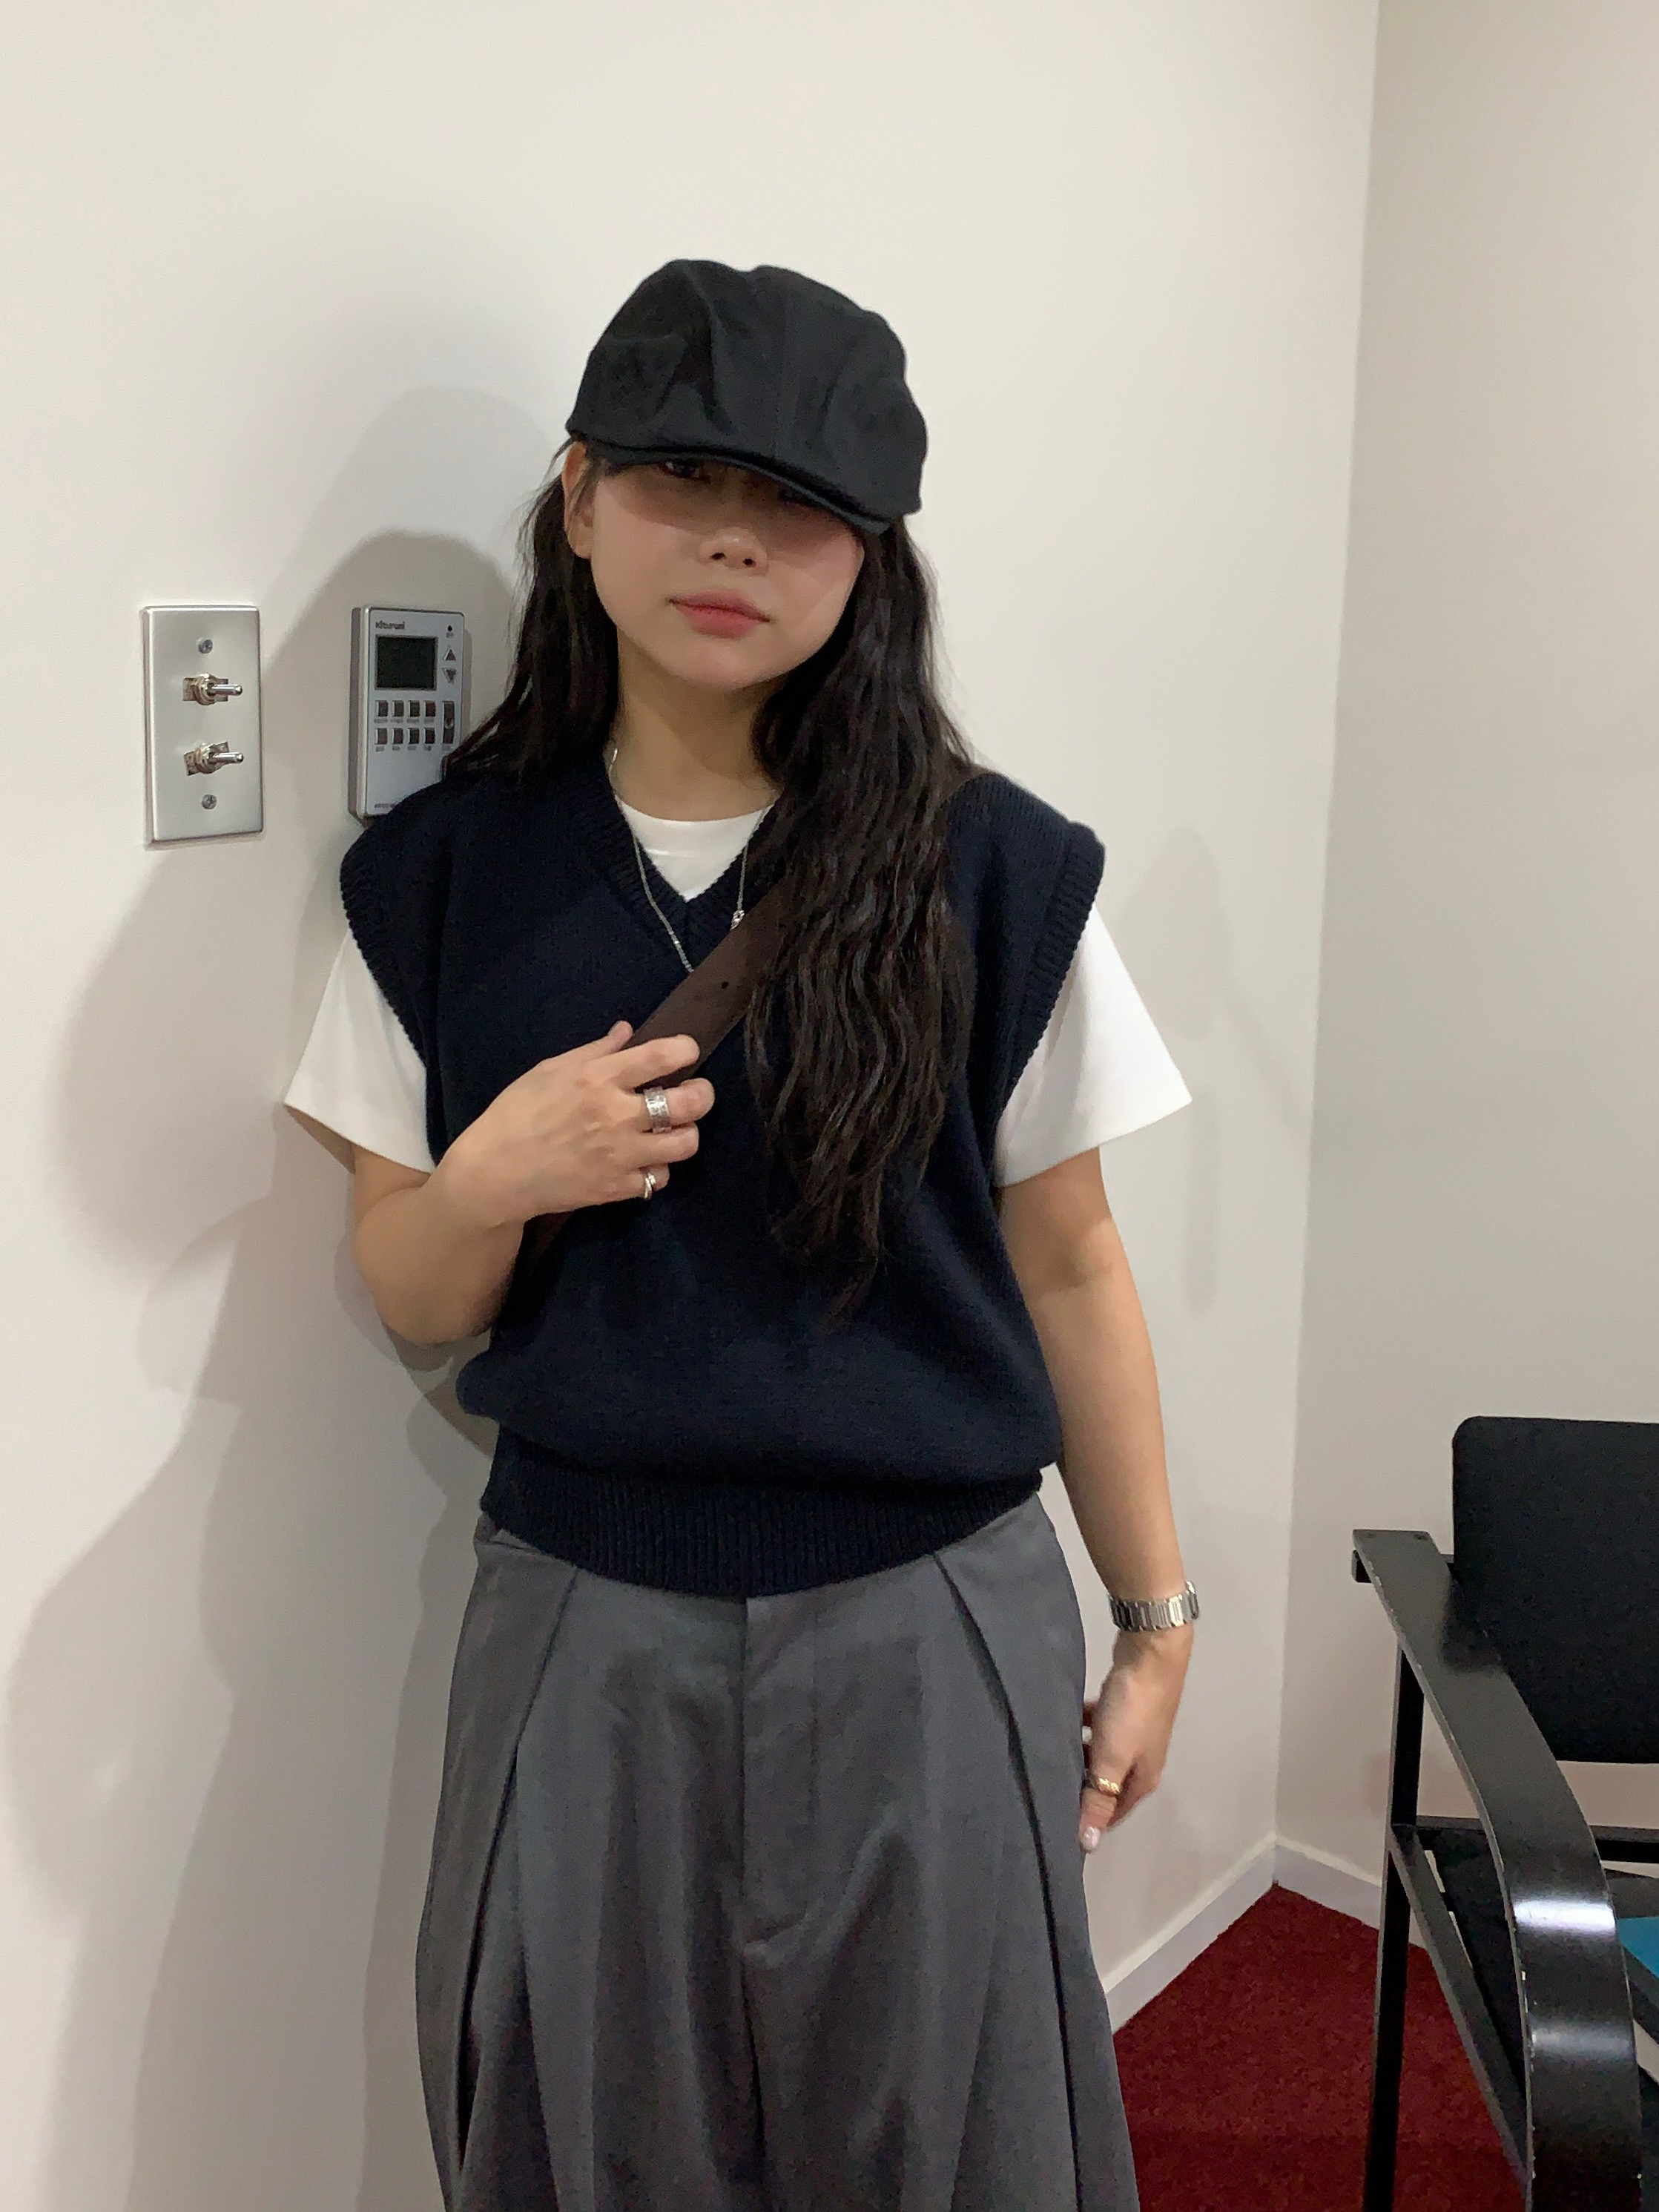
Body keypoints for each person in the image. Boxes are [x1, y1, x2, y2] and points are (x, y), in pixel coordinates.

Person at [283, 258, 1197, 2212]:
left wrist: (1156, 1618)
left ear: (871, 557)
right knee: (590, 2133)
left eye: (798, 506)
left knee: (952, 2143)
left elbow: (1071, 1262)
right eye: (680, 478)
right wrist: (496, 1175)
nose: (733, 542)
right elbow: (410, 1288)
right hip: (584, 1618)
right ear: (579, 498)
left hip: (929, 1616)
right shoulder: (438, 879)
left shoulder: (996, 869)